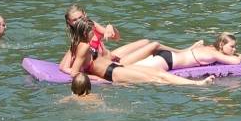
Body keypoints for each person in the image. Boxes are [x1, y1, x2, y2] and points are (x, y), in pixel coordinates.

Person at [61, 18, 211, 86]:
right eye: (90, 32)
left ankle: (195, 83)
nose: (93, 34)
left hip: (116, 67)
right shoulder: (83, 47)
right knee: (156, 78)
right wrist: (97, 79)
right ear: (83, 33)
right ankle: (196, 84)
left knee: (159, 73)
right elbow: (75, 73)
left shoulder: (81, 43)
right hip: (112, 73)